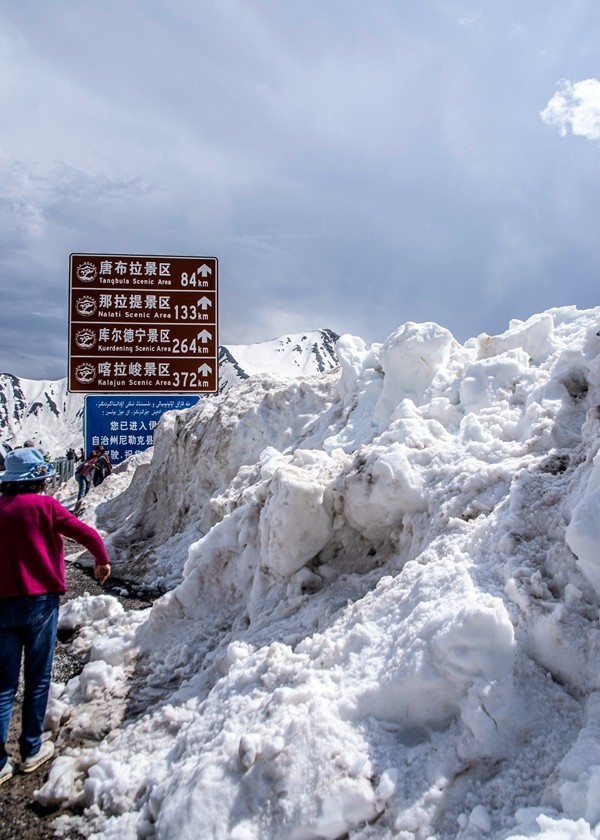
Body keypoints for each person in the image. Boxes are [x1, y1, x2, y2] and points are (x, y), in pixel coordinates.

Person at [0, 448, 110, 786]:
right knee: (36, 679)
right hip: (40, 603)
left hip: (2, 604)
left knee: (2, 687)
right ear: (38, 479)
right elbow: (87, 534)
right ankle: (31, 749)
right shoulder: (46, 507)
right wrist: (101, 559)